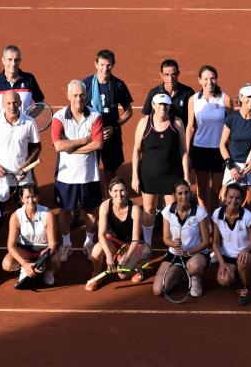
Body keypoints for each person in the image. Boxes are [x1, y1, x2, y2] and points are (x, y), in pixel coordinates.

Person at [51, 79, 103, 261]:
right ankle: (66, 243)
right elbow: (58, 146)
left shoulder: (95, 116)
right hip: (66, 175)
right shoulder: (58, 117)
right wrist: (83, 140)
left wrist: (71, 147)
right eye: (75, 95)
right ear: (68, 96)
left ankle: (89, 242)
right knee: (64, 210)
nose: (79, 98)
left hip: (89, 174)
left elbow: (97, 144)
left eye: (82, 95)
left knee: (90, 210)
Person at [131, 93, 189, 246]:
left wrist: (187, 176)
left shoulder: (176, 123)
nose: (163, 107)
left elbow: (183, 150)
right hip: (149, 175)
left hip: (172, 175)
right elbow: (136, 150)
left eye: (166, 105)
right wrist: (134, 176)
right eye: (160, 104)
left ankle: (173, 244)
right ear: (153, 105)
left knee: (172, 210)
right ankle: (148, 244)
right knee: (149, 209)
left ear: (170, 106)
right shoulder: (144, 123)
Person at [186, 65, 234, 213]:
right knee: (202, 190)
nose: (209, 82)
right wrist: (187, 153)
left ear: (216, 79)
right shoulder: (193, 100)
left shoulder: (225, 99)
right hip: (200, 149)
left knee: (217, 190)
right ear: (200, 80)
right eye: (205, 78)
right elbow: (190, 127)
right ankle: (205, 222)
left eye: (212, 78)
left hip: (218, 149)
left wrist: (229, 150)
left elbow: (232, 126)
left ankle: (216, 220)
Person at [82, 49, 133, 184]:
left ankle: (109, 199)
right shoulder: (85, 84)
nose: (105, 69)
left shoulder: (118, 85)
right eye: (102, 65)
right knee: (88, 170)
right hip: (90, 135)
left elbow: (128, 110)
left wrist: (114, 126)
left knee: (110, 172)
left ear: (113, 65)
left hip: (111, 135)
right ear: (96, 64)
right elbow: (76, 109)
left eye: (109, 65)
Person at [0, 90, 41, 205]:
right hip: (0, 176)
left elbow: (37, 147)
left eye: (15, 102)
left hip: (22, 177)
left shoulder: (30, 123)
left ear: (20, 103)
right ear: (3, 105)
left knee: (26, 212)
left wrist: (27, 166)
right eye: (8, 103)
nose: (12, 106)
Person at [153, 180, 210, 297]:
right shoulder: (167, 212)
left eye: (186, 192)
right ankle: (180, 273)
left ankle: (195, 277)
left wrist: (188, 251)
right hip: (175, 255)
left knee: (195, 265)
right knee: (158, 290)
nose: (184, 196)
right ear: (174, 195)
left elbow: (206, 241)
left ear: (190, 193)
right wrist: (174, 244)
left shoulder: (200, 212)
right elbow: (166, 238)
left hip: (196, 254)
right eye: (180, 193)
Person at [85, 177, 143, 291]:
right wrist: (108, 254)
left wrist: (126, 257)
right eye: (115, 191)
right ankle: (97, 273)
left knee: (122, 275)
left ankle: (136, 267)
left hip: (130, 245)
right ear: (110, 193)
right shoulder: (105, 206)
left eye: (122, 190)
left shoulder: (135, 209)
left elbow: (136, 239)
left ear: (126, 192)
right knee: (96, 252)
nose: (119, 194)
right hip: (112, 241)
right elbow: (101, 234)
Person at [219, 83, 251, 206]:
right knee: (224, 201)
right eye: (248, 96)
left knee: (248, 203)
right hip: (233, 165)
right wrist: (231, 166)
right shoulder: (232, 118)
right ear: (241, 98)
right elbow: (222, 145)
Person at [2, 183, 60, 288]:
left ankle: (48, 271)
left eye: (34, 196)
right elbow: (11, 246)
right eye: (27, 197)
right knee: (7, 264)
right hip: (24, 250)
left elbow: (52, 243)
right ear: (21, 199)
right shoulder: (16, 216)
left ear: (38, 197)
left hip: (44, 249)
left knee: (55, 261)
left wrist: (42, 261)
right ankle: (25, 268)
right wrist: (24, 264)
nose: (31, 200)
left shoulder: (48, 215)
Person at [212, 183, 251, 306]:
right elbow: (215, 242)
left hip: (247, 254)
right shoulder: (217, 214)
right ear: (225, 197)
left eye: (237, 198)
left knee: (242, 260)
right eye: (231, 197)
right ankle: (240, 274)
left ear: (242, 199)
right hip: (228, 256)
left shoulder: (248, 217)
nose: (234, 200)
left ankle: (246, 287)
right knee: (224, 280)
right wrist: (221, 263)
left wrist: (246, 249)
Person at [0, 45, 44, 121]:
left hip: (23, 131)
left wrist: (28, 120)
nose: (13, 64)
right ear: (3, 60)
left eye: (16, 60)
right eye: (10, 59)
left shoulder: (29, 79)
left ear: (20, 61)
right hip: (1, 132)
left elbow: (41, 104)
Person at [141, 59, 195, 127]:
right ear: (161, 75)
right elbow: (146, 119)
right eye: (166, 75)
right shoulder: (153, 93)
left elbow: (194, 120)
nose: (170, 78)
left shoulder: (188, 93)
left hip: (182, 135)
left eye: (173, 74)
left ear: (178, 74)